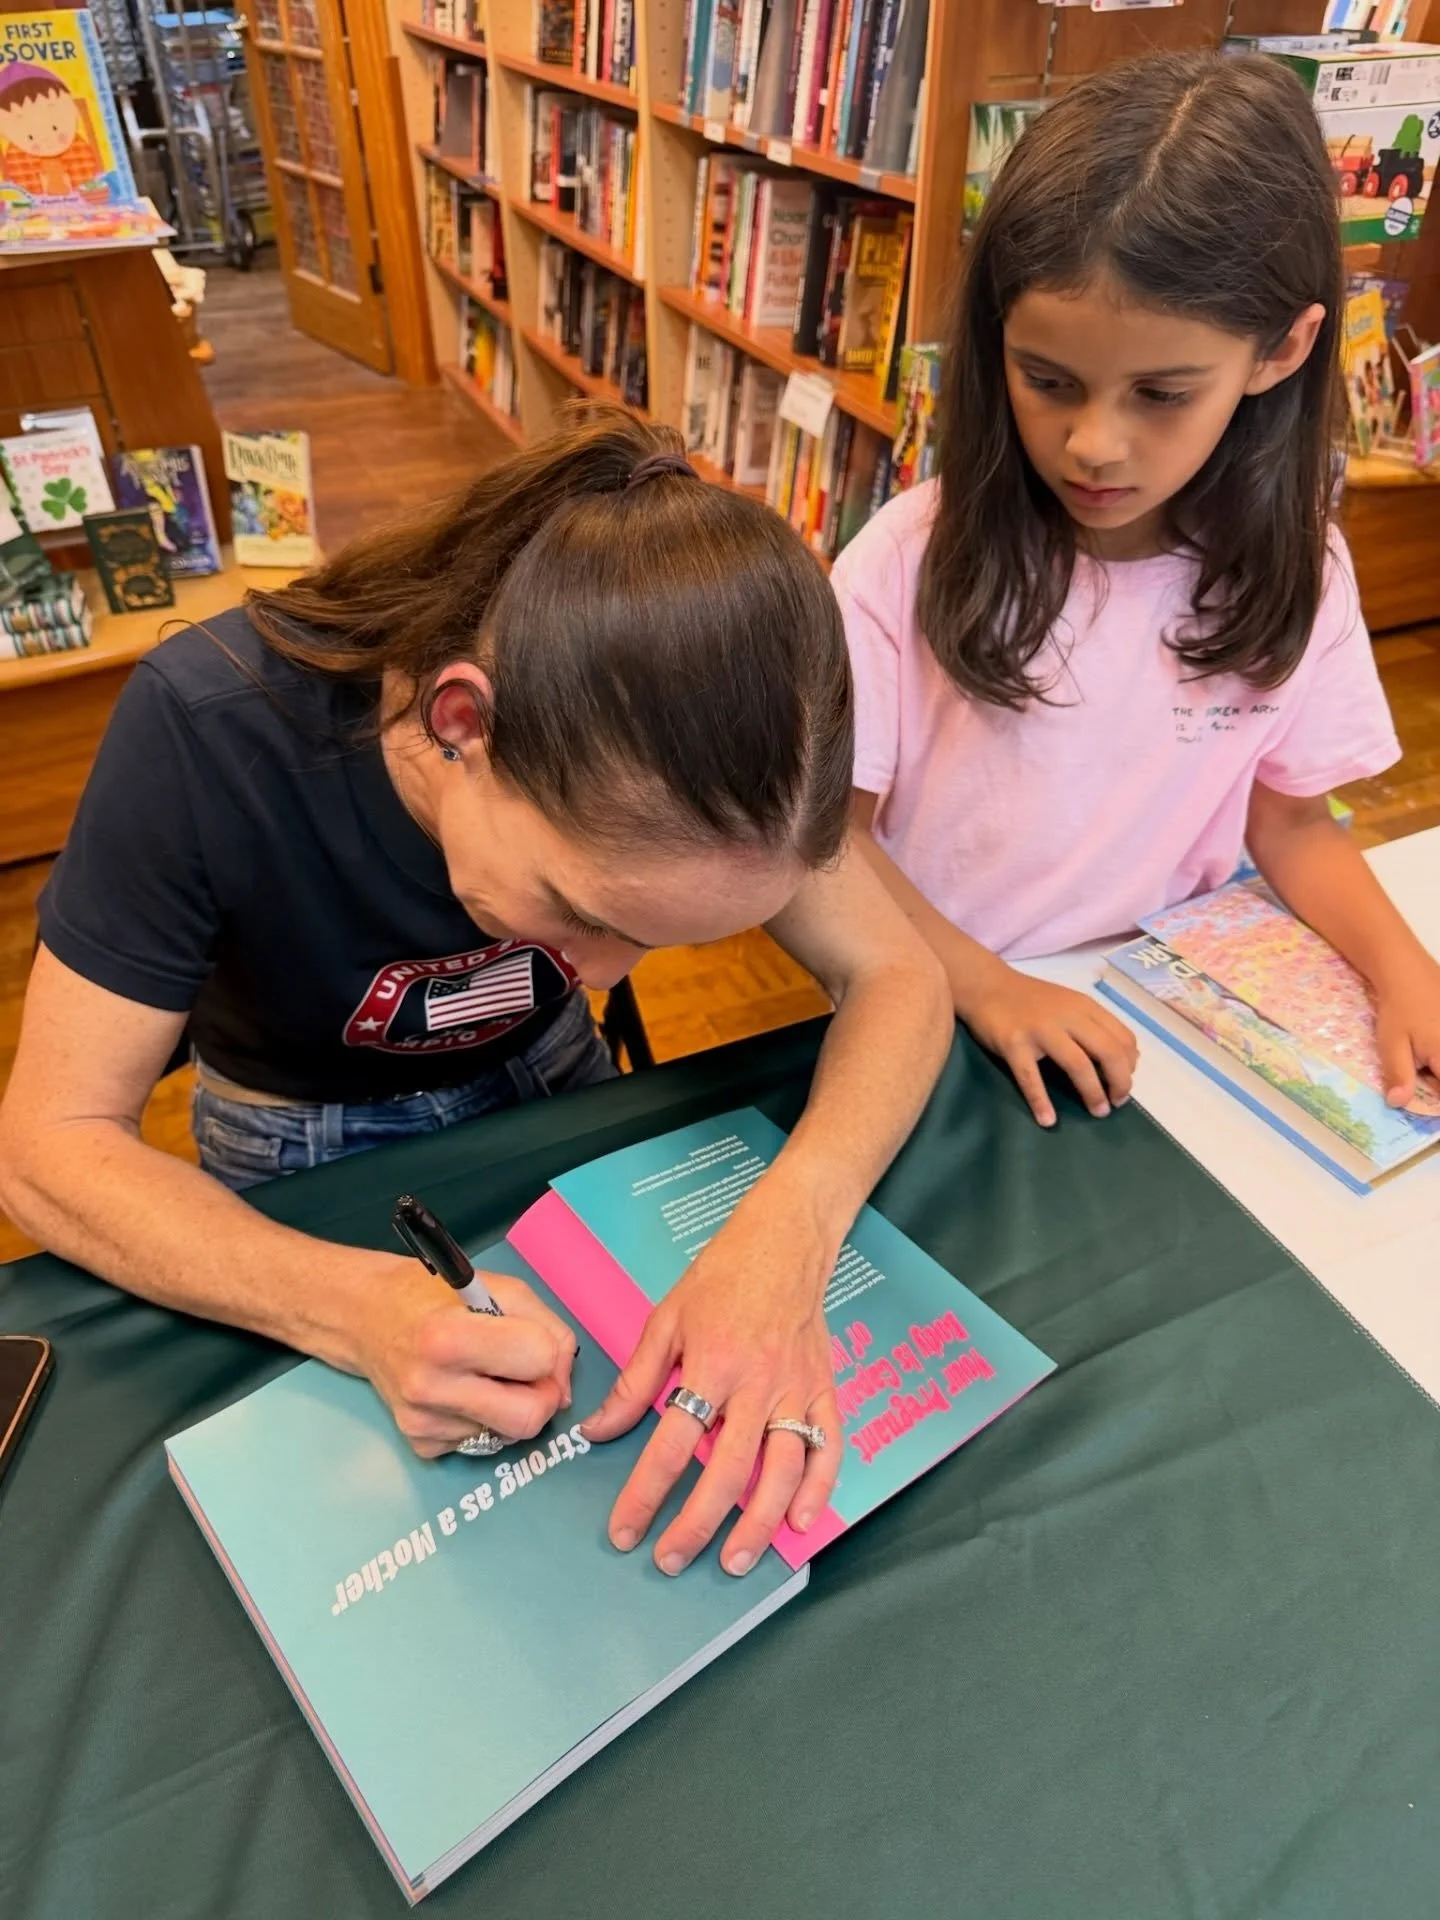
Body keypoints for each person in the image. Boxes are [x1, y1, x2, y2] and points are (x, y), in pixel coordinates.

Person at [0, 412, 952, 1580]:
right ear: (463, 723)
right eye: (586, 910)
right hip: (300, 1129)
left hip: (554, 1082)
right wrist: (350, 1307)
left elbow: (901, 976)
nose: (599, 976)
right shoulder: (214, 730)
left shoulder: (719, 738)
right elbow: (48, 1145)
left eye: (664, 939)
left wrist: (789, 1228)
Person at [835, 50, 1440, 1130]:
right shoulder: (900, 564)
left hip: (1167, 1031)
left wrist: (1405, 969)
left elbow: (1294, 824)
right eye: (1048, 380)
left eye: (1162, 392)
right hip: (934, 1014)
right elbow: (822, 848)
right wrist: (984, 985)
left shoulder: (1305, 568)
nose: (1094, 444)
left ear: (1284, 350)